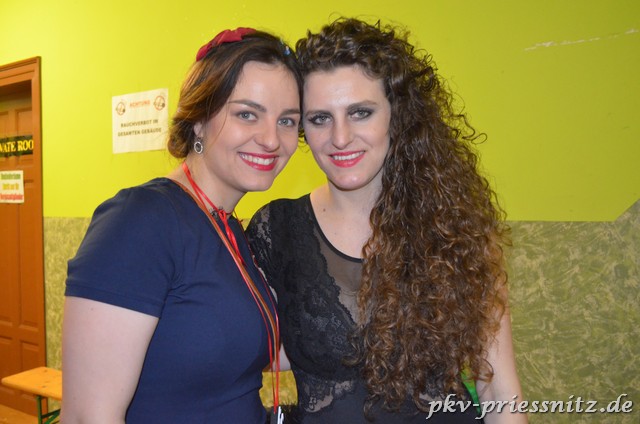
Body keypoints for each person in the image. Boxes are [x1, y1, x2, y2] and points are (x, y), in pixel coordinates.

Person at [246, 18, 527, 423]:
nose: (340, 137)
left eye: (360, 112)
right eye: (320, 118)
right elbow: (255, 351)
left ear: (397, 115)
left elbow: (501, 392)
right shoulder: (276, 229)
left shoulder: (455, 227)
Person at [61, 27, 301, 424]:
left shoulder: (227, 228)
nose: (272, 139)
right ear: (199, 120)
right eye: (247, 114)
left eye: (288, 120)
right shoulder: (142, 221)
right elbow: (88, 416)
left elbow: (241, 346)